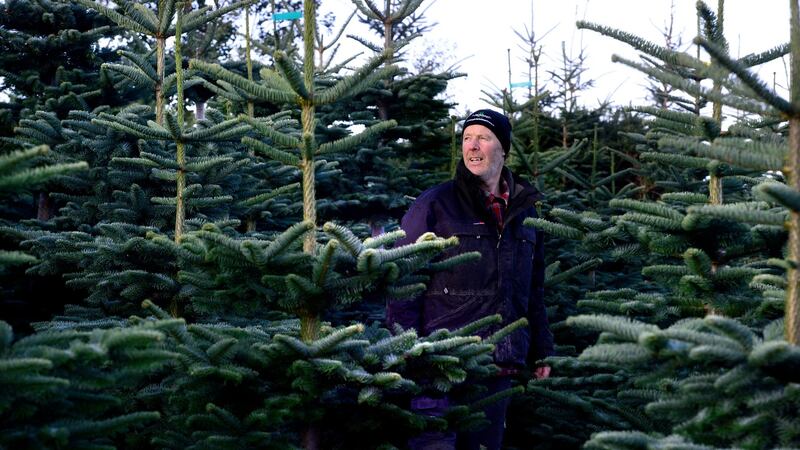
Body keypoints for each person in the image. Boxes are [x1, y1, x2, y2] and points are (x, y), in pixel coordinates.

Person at [387, 109, 554, 450]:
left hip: (499, 365)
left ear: (503, 148)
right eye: (466, 138)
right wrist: (407, 350)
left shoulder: (525, 212)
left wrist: (541, 349)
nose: (473, 146)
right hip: (439, 366)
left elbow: (532, 289)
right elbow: (403, 280)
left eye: (483, 138)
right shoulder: (436, 204)